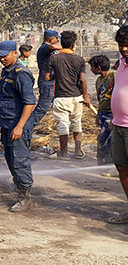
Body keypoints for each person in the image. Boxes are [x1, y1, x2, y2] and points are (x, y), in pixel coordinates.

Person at [0, 40, 37, 212]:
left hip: (17, 125)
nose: (2, 59)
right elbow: (6, 95)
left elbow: (29, 102)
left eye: (5, 56)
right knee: (10, 159)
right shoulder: (7, 71)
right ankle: (19, 189)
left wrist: (20, 126)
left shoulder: (22, 74)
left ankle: (25, 197)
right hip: (6, 123)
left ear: (15, 53)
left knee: (20, 160)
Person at [44, 31, 89, 160]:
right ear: (73, 45)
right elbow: (82, 80)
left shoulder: (54, 58)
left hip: (61, 97)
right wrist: (85, 96)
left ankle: (63, 153)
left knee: (63, 124)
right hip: (77, 97)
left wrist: (57, 75)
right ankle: (78, 151)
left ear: (61, 43)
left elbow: (47, 77)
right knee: (76, 123)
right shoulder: (80, 59)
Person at [106, 25, 128, 226]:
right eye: (121, 45)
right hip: (118, 125)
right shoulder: (121, 64)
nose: (124, 49)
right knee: (121, 167)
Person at [31, 29, 61, 126]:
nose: (58, 41)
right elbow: (52, 47)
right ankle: (29, 125)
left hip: (51, 81)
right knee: (43, 106)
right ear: (52, 39)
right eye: (57, 39)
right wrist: (66, 46)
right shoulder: (44, 48)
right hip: (46, 82)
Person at [88, 54, 114, 165]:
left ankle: (108, 163)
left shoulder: (113, 77)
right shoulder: (99, 80)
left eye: (92, 67)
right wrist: (98, 115)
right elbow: (100, 99)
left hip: (112, 113)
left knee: (106, 140)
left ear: (98, 68)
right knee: (102, 139)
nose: (90, 69)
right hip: (103, 113)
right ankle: (100, 162)